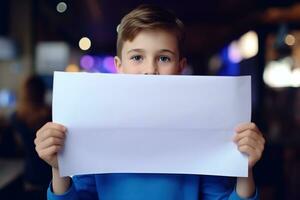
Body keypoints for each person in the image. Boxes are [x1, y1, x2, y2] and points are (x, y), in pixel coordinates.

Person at [34, 4, 265, 200]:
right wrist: (59, 167)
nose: (150, 71)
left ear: (180, 68)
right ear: (118, 66)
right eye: (137, 57)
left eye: (164, 58)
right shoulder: (96, 125)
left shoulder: (202, 129)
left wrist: (244, 168)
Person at [11, 75, 52, 200]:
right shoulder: (51, 115)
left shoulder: (17, 117)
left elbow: (16, 147)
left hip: (31, 175)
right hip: (50, 175)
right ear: (43, 92)